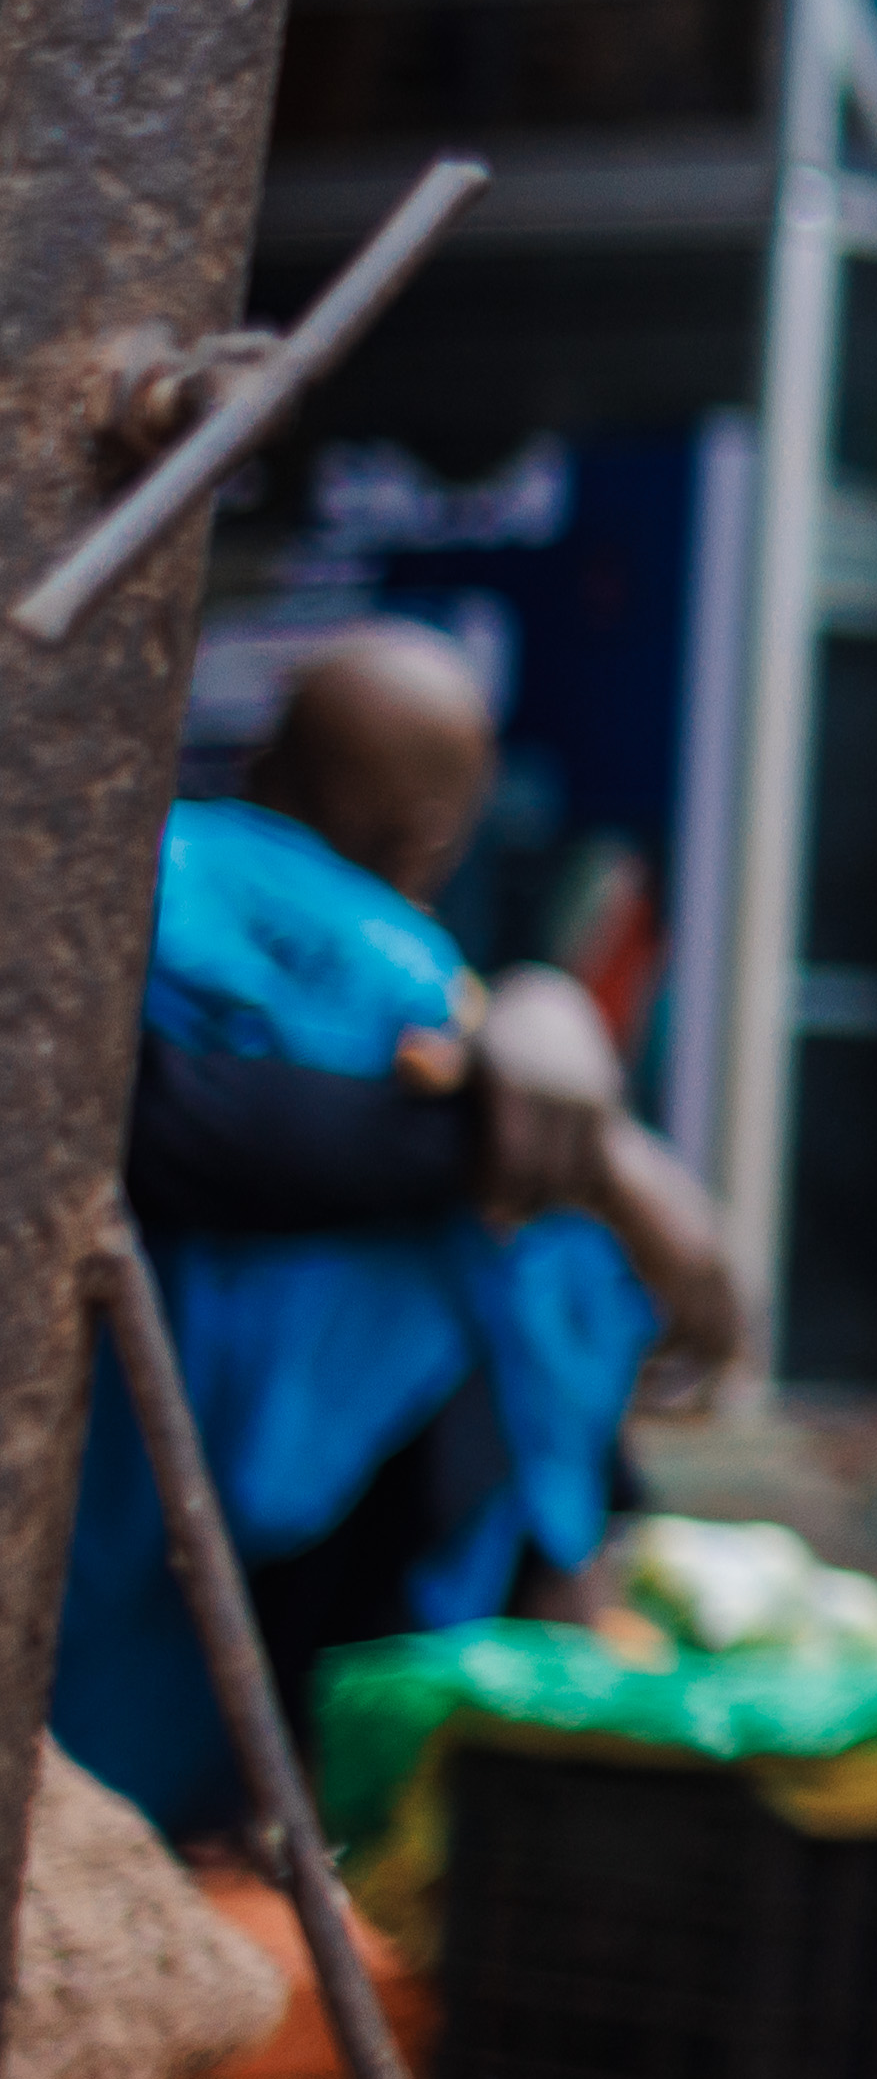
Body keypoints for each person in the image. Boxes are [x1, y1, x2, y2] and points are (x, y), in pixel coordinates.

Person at [67, 626, 737, 1836]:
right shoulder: (397, 965)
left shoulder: (128, 878)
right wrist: (617, 1179)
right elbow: (225, 1133)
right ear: (433, 829)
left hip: (141, 1440)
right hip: (268, 1477)